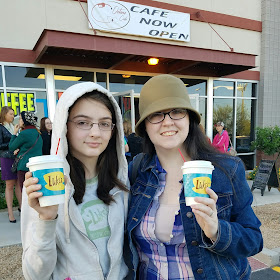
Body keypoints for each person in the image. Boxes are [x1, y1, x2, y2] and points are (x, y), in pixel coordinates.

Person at [126, 75, 263, 280]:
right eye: (156, 115)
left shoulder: (226, 169)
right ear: (145, 125)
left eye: (176, 112)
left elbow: (254, 239)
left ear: (189, 118)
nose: (168, 122)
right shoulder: (137, 171)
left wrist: (217, 231)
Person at [21, 82, 129, 279]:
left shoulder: (120, 183)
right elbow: (34, 274)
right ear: (64, 127)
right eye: (82, 122)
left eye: (104, 123)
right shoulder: (44, 186)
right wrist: (47, 219)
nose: (95, 132)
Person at [9, 111, 43, 191]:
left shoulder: (24, 133)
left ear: (25, 120)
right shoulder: (37, 133)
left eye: (21, 118)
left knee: (25, 192)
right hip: (36, 166)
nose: (19, 120)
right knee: (36, 190)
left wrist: (14, 133)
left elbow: (11, 147)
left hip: (24, 166)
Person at [0, 106, 21, 223]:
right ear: (4, 114)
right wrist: (12, 145)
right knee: (9, 185)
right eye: (11, 114)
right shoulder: (1, 127)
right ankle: (10, 212)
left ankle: (21, 208)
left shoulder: (14, 127)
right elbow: (0, 145)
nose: (13, 116)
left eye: (13, 114)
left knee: (18, 183)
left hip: (16, 158)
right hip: (6, 158)